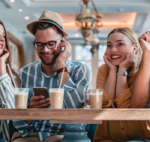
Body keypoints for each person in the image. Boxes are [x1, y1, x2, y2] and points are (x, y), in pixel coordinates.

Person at [12, 10, 90, 142]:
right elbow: (16, 124)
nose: (45, 50)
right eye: (40, 45)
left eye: (51, 44)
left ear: (63, 42)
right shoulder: (22, 74)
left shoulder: (80, 71)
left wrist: (61, 64)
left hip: (66, 137)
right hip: (29, 137)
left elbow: (74, 111)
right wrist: (29, 111)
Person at [94, 28, 150, 142]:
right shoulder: (104, 70)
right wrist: (113, 70)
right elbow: (103, 104)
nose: (113, 49)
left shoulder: (143, 73)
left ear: (135, 48)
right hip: (106, 139)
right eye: (109, 45)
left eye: (120, 44)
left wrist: (122, 70)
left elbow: (127, 110)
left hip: (140, 138)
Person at [0, 21, 21, 142]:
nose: (1, 39)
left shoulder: (9, 74)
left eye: (3, 35)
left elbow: (13, 111)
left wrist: (2, 66)